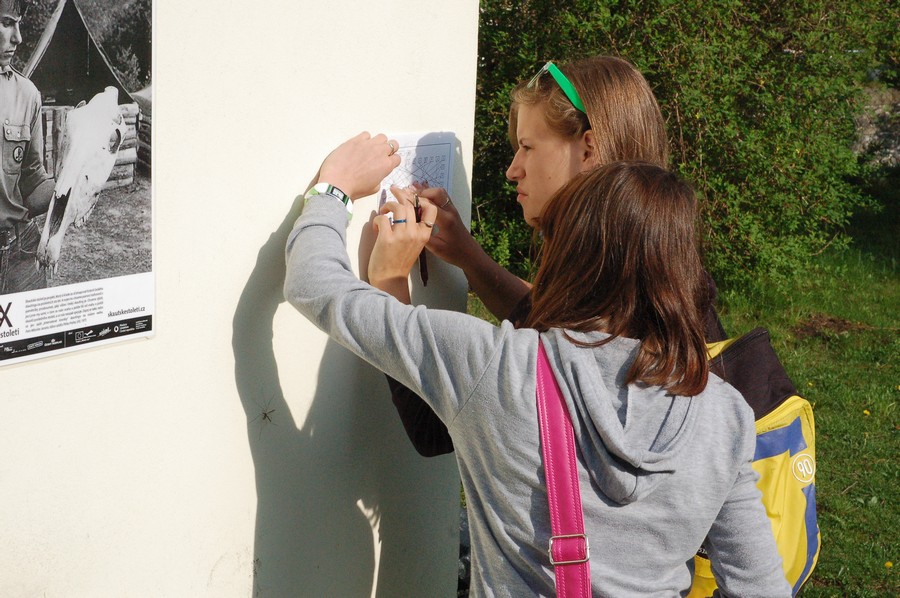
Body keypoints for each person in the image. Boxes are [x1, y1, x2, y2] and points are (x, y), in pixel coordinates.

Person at [283, 132, 791, 596]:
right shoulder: (726, 414)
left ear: (571, 254)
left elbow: (315, 286)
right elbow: (761, 587)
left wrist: (334, 190)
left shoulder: (499, 367)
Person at [383, 56, 726, 457]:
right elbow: (543, 322)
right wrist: (470, 258)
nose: (513, 170)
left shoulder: (602, 302)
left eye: (527, 147)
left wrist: (389, 279)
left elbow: (435, 428)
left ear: (588, 150)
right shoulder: (657, 263)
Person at [0, 0, 54, 294]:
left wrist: (74, 180)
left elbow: (33, 183)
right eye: (7, 23)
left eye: (18, 25)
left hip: (19, 253)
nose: (18, 38)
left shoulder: (27, 94)